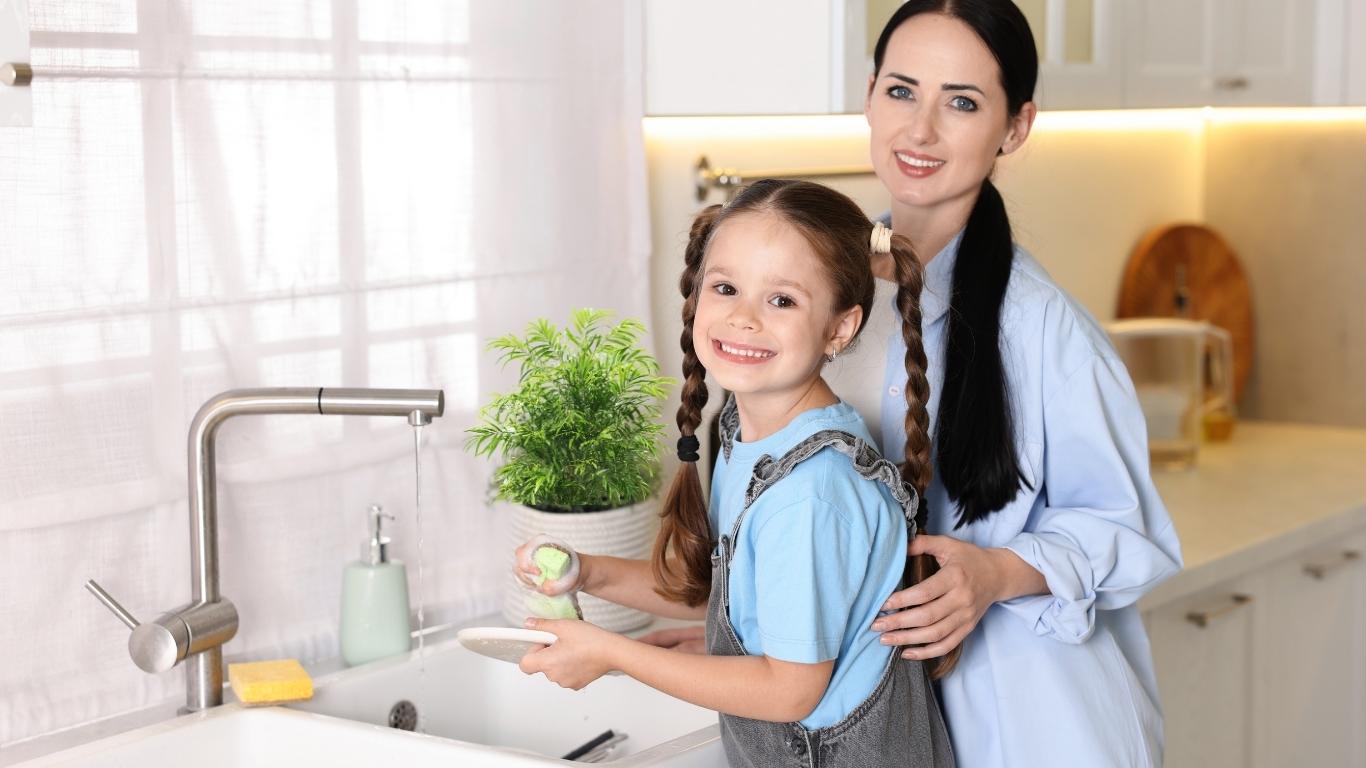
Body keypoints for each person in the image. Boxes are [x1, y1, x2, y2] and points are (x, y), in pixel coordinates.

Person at [640, 2, 1184, 765]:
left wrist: (995, 573)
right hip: (871, 713)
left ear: (1015, 127)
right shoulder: (805, 289)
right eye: (901, 91)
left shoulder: (1043, 331)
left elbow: (1130, 533)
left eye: (961, 102)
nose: (920, 129)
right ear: (868, 95)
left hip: (1027, 716)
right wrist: (733, 631)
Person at [513, 179, 955, 767]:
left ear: (840, 328)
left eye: (782, 300)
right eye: (725, 288)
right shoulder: (750, 438)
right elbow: (721, 596)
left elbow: (790, 688)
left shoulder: (812, 491)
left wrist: (612, 653)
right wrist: (586, 572)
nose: (743, 318)